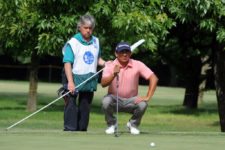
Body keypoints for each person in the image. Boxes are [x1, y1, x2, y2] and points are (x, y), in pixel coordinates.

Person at [59, 14, 105, 131]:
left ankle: (81, 129)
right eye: (86, 28)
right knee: (71, 104)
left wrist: (107, 63)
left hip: (89, 78)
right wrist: (70, 82)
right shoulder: (73, 42)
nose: (88, 30)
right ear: (80, 27)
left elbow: (97, 59)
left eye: (90, 28)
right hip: (73, 77)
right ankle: (70, 129)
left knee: (85, 105)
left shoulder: (96, 42)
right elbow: (67, 63)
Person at [101, 42, 158, 135]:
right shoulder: (109, 65)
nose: (124, 54)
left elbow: (153, 78)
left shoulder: (137, 64)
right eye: (121, 52)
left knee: (143, 104)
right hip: (115, 99)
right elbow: (103, 83)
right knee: (105, 101)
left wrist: (148, 96)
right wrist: (113, 74)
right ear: (116, 53)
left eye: (127, 52)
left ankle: (133, 124)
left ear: (130, 53)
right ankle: (112, 124)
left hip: (132, 100)